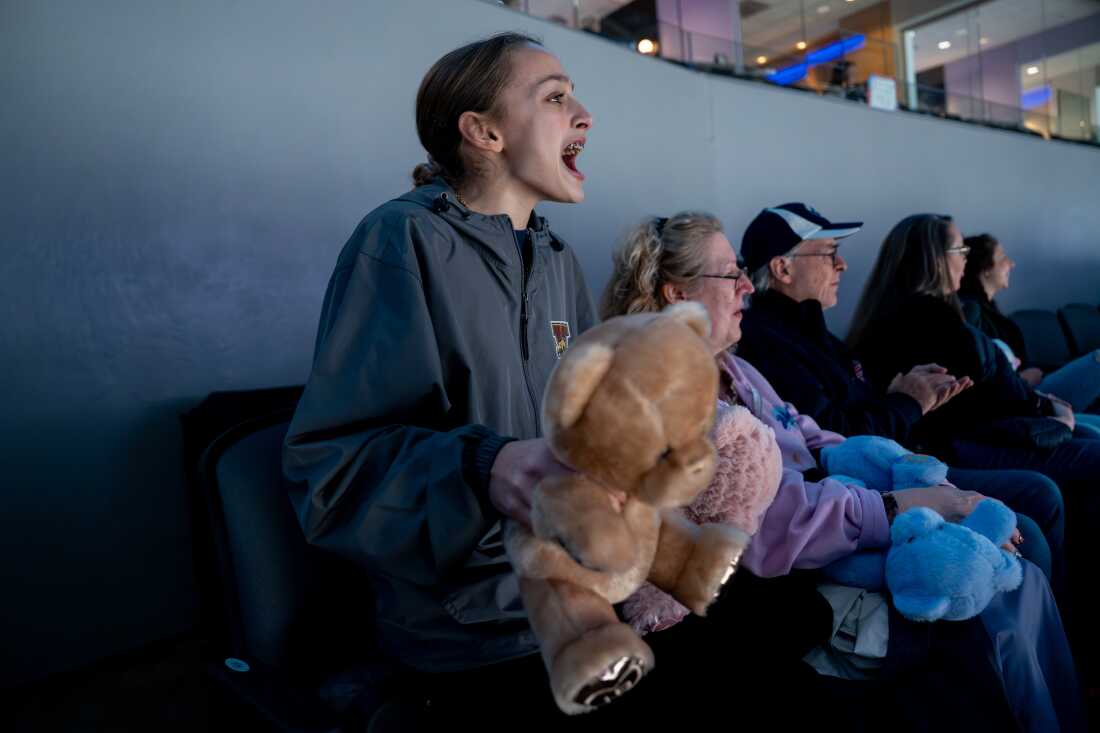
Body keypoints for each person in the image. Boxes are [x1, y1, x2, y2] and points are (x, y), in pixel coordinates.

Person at [283, 34, 815, 730]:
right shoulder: (399, 243)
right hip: (479, 635)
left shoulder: (557, 257)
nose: (584, 114)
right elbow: (330, 472)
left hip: (595, 587)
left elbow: (584, 430)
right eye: (557, 97)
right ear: (485, 132)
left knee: (800, 631)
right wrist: (485, 466)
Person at [601, 211, 1084, 732]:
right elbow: (778, 522)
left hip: (835, 527)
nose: (747, 283)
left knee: (1013, 564)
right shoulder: (670, 393)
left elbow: (817, 437)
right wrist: (905, 504)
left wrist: (915, 478)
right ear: (676, 294)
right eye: (730, 273)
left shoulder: (734, 367)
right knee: (997, 588)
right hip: (784, 581)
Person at [734, 203, 1064, 587]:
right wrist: (908, 402)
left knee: (1043, 491)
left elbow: (850, 414)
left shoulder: (816, 334)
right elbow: (835, 442)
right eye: (829, 254)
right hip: (871, 488)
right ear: (782, 268)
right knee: (1038, 501)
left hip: (903, 461)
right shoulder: (769, 344)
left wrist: (899, 394)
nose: (841, 265)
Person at [847, 213, 1100, 693]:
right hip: (961, 446)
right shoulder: (929, 316)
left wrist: (1040, 407)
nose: (963, 260)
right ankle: (1069, 621)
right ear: (934, 259)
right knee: (1069, 469)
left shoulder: (916, 312)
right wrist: (1043, 410)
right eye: (958, 251)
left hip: (967, 437)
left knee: (1084, 444)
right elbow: (979, 398)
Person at [959, 233, 1100, 418]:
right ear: (985, 268)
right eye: (1003, 257)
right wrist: (1022, 379)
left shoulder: (989, 312)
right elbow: (983, 378)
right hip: (1023, 395)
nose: (1011, 264)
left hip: (1030, 388)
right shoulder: (972, 313)